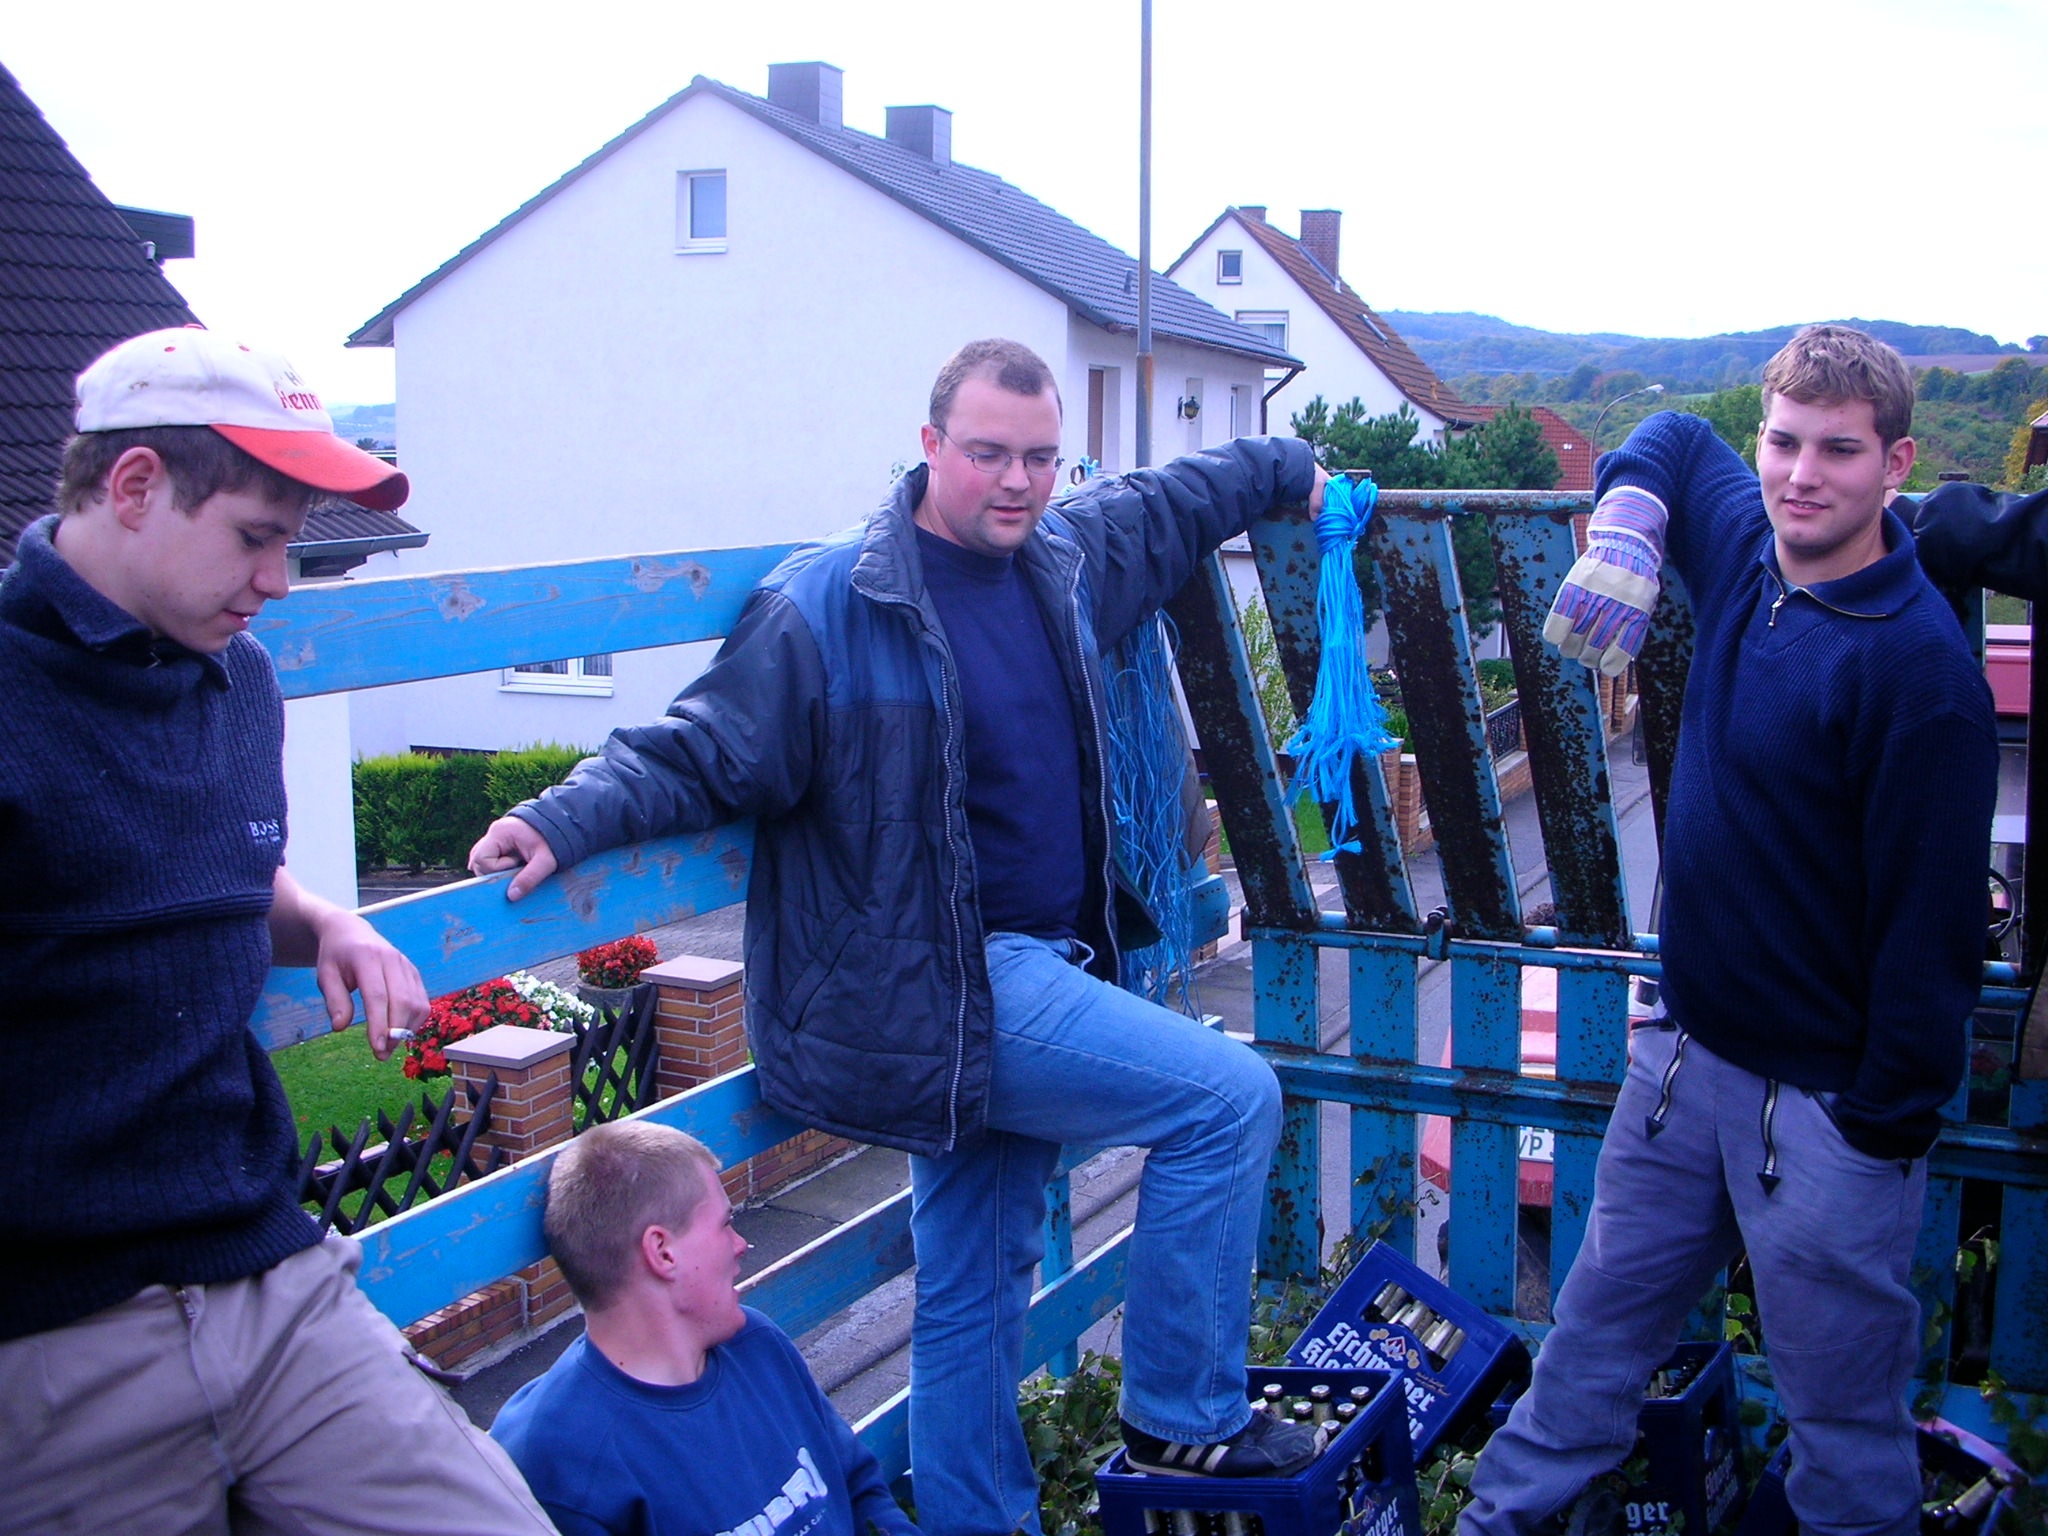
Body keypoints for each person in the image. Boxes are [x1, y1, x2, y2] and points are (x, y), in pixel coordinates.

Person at [470, 338, 1329, 1536]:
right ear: (928, 447)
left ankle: (979, 1521)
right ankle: (1181, 1414)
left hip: (1038, 967)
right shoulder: (832, 603)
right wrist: (561, 816)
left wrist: (1292, 468)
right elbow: (706, 745)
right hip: (946, 985)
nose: (1016, 481)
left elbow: (1174, 499)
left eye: (1039, 457)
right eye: (987, 454)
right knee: (1227, 1101)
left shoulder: (1062, 558)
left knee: (975, 1281)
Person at [0, 327, 557, 1536]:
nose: (278, 582)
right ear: (134, 485)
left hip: (271, 1279)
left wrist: (321, 922)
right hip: (53, 1342)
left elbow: (220, 872)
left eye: (291, 544)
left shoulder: (236, 680)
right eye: (256, 537)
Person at [1463, 325, 2000, 1535]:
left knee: (1839, 1420)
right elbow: (1665, 436)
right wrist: (1626, 522)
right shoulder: (1746, 545)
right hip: (1681, 1065)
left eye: (1837, 451)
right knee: (1587, 1343)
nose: (1800, 475)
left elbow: (1930, 940)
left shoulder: (1916, 675)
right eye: (1782, 441)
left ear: (1895, 464)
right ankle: (1498, 1520)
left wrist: (1874, 1126)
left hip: (1820, 1111)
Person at [493, 1121, 919, 1536]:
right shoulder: (558, 1456)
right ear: (663, 1252)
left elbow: (859, 1488)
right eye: (725, 1224)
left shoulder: (757, 1346)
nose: (740, 1245)